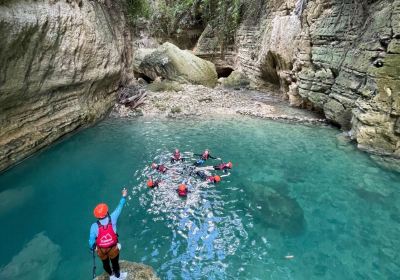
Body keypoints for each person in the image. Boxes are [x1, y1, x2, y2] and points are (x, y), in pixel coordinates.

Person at [89, 188, 128, 280]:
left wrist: (92, 249)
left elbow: (91, 241)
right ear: (106, 212)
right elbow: (120, 206)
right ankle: (118, 276)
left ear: (97, 216)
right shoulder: (113, 218)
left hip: (101, 250)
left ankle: (111, 275)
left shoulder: (94, 226)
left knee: (105, 263)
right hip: (113, 247)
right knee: (115, 263)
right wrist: (124, 196)